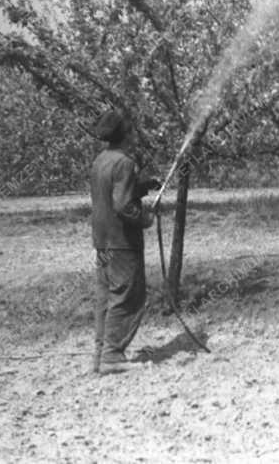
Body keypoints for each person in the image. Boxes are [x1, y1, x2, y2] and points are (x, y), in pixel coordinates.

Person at [89, 109, 158, 375]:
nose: (134, 135)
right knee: (128, 296)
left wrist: (142, 186)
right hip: (122, 241)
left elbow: (112, 192)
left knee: (106, 296)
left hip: (103, 240)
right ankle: (112, 356)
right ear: (125, 135)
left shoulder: (101, 160)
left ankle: (101, 353)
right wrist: (146, 218)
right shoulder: (125, 163)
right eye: (131, 130)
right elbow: (123, 206)